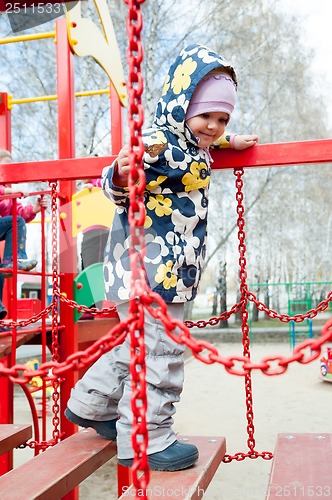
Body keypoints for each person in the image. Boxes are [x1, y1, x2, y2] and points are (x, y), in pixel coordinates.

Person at [65, 43, 258, 471]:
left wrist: (228, 142)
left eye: (222, 119)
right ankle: (148, 440)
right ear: (180, 105)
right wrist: (119, 174)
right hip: (152, 271)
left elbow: (202, 141)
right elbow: (117, 182)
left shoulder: (192, 142)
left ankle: (91, 405)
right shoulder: (156, 144)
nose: (213, 126)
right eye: (206, 115)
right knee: (161, 353)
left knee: (138, 345)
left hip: (155, 269)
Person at [0, 149, 47, 318]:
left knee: (0, 272)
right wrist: (10, 191)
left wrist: (34, 209)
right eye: (4, 167)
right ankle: (13, 259)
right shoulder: (5, 191)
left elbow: (16, 213)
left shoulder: (7, 191)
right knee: (16, 222)